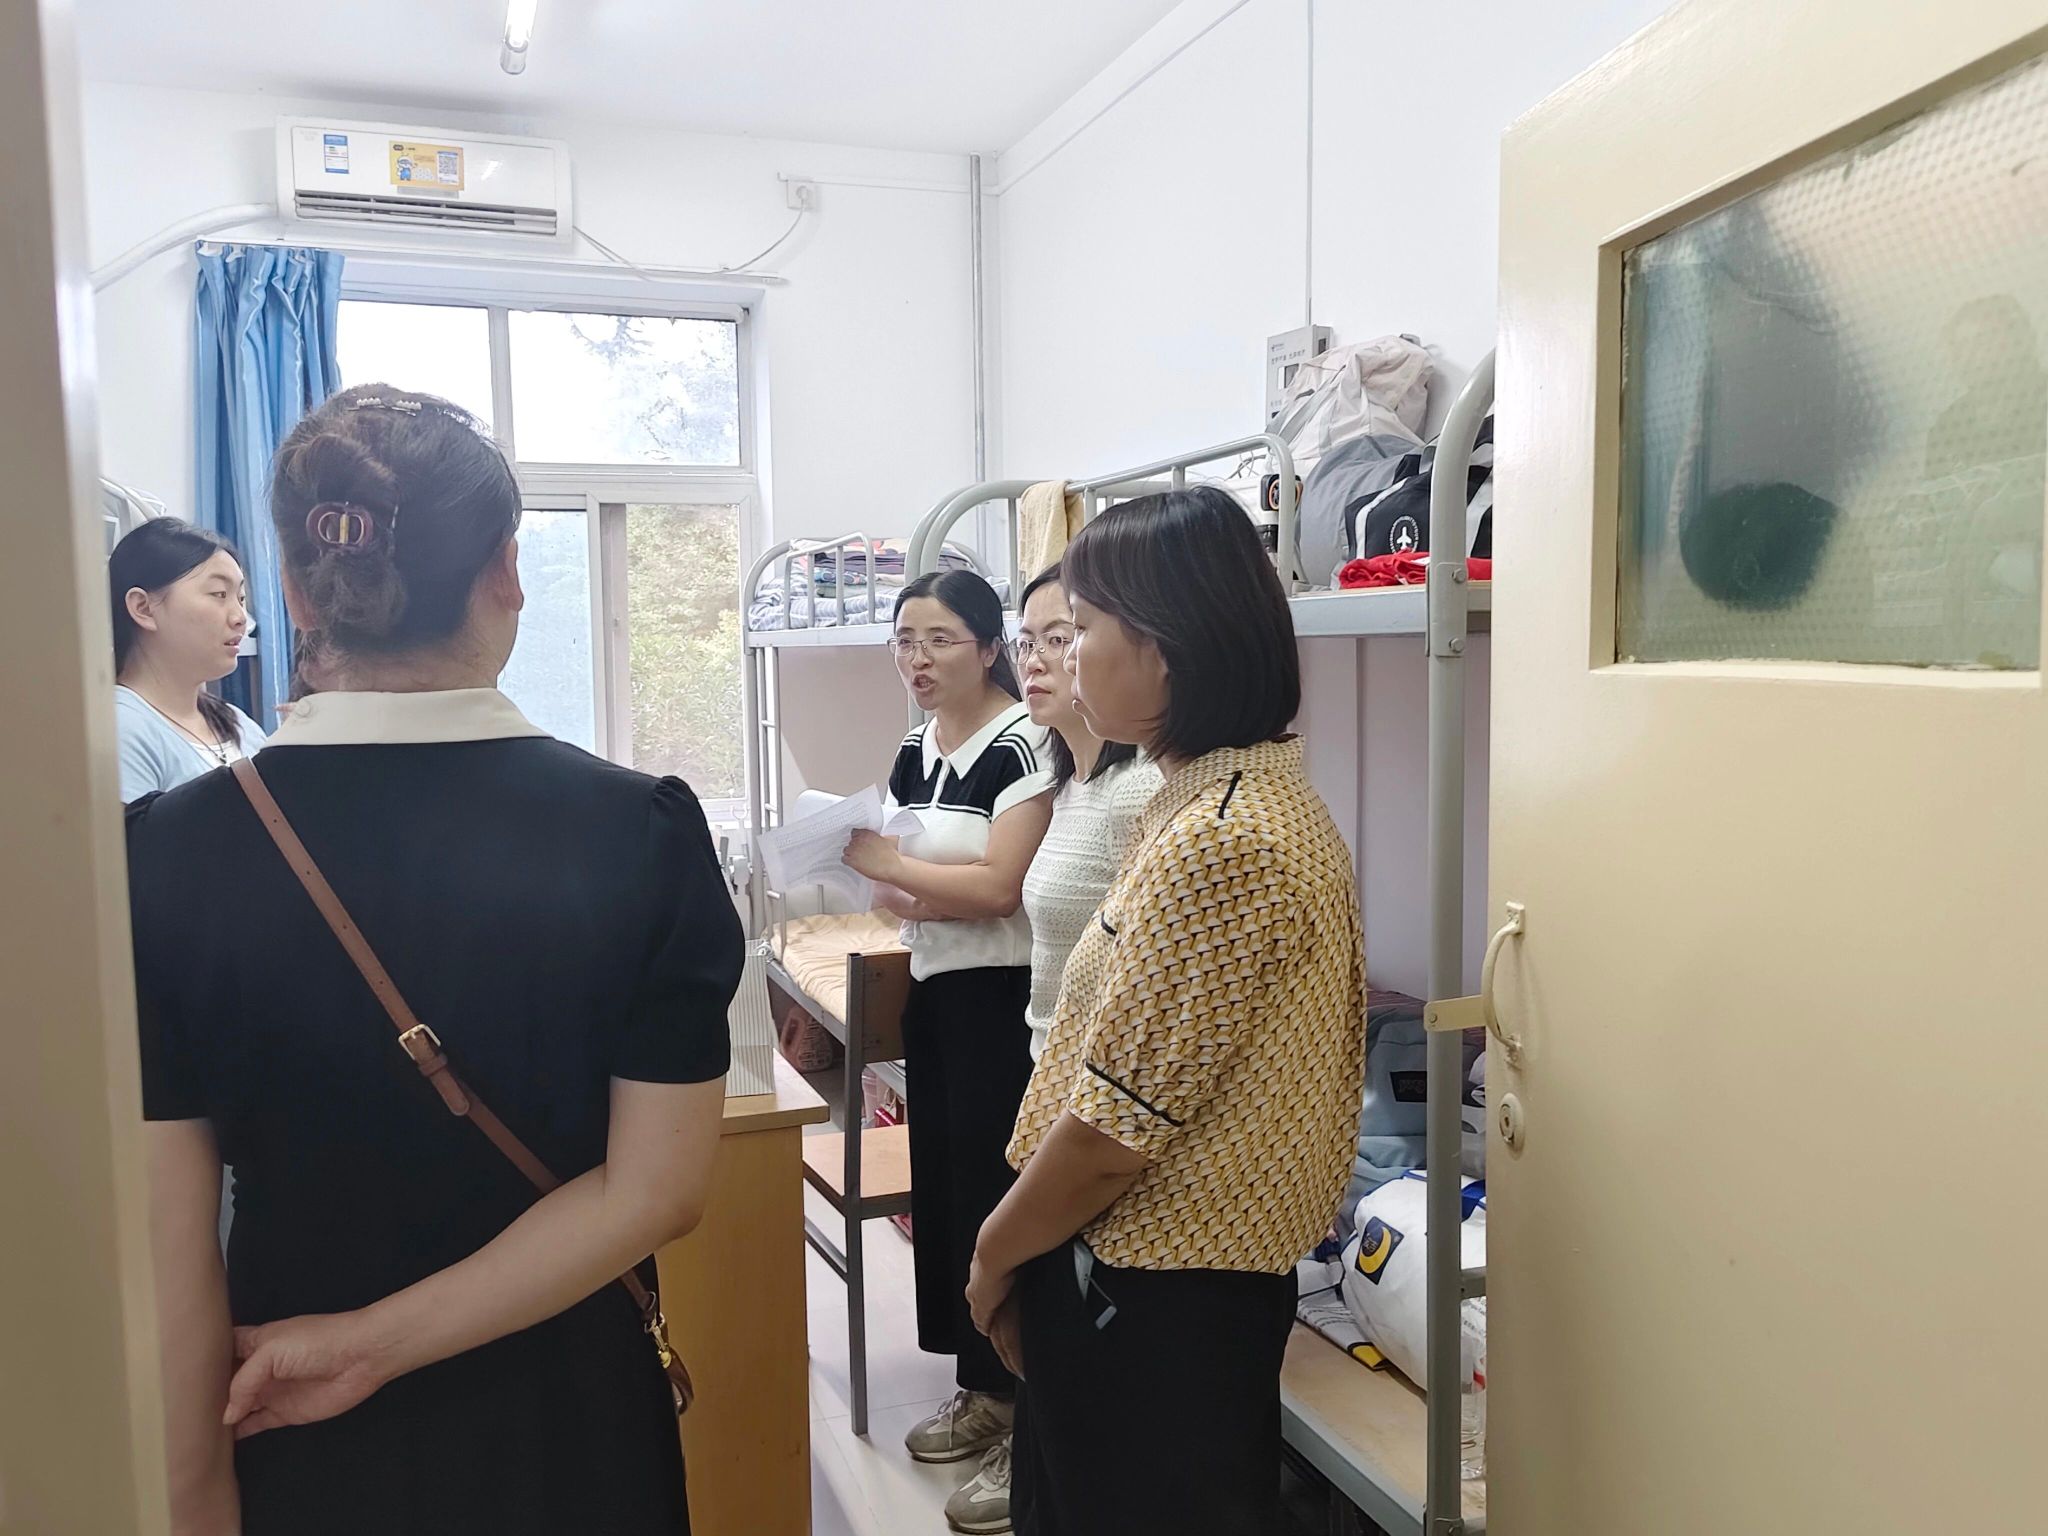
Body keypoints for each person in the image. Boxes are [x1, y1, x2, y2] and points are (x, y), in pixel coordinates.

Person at [126, 385, 743, 1536]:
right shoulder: (640, 831)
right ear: (507, 571)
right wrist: (370, 1347)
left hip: (287, 1427)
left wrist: (195, 1491)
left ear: (296, 590)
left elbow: (166, 1237)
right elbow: (658, 1188)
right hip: (571, 1424)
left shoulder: (161, 852)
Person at [967, 487, 1368, 1536]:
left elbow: (1111, 1135)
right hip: (1148, 1285)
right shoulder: (1208, 799)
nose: (1064, 658)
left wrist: (993, 1253)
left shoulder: (1222, 837)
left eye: (1082, 628)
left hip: (1148, 1293)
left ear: (1164, 649)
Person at [938, 563, 1163, 1534]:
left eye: (1059, 636)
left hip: (1101, 1097)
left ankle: (1033, 1445)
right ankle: (1024, 1438)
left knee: (1059, 1312)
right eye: (1026, 639)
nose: (1035, 658)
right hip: (1048, 1074)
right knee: (1041, 1314)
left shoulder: (1143, 793)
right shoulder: (1070, 785)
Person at [840, 569, 1054, 1491]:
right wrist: (919, 887)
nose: (916, 659)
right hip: (935, 991)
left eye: (937, 639)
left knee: (1001, 1198)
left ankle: (1027, 1404)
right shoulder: (914, 748)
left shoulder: (1026, 742)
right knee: (950, 1194)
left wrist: (901, 874)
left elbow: (1003, 888)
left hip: (1005, 1002)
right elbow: (892, 892)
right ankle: (982, 1385)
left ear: (989, 646)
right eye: (903, 641)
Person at [110, 517, 268, 801]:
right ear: (143, 608)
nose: (240, 618)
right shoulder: (118, 728)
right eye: (219, 594)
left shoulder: (240, 725)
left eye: (241, 598)